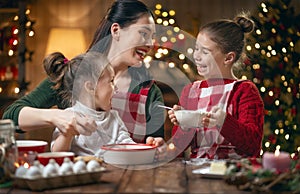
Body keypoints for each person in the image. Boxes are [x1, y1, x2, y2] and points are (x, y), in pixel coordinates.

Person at [2, 0, 165, 143]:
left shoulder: (150, 93)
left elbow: (154, 146)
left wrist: (157, 144)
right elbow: (11, 117)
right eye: (144, 33)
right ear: (116, 30)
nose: (150, 44)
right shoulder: (74, 76)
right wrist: (57, 117)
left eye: (152, 37)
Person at [168, 12, 264, 159]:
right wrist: (184, 123)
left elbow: (252, 144)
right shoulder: (191, 91)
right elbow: (177, 148)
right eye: (196, 49)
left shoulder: (245, 91)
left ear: (228, 58)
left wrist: (224, 122)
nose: (196, 56)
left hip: (234, 174)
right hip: (197, 174)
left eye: (205, 51)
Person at [44, 51, 164, 156]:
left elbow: (128, 145)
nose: (116, 88)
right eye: (111, 81)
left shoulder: (114, 118)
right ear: (91, 87)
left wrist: (148, 147)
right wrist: (67, 134)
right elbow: (56, 153)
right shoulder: (69, 117)